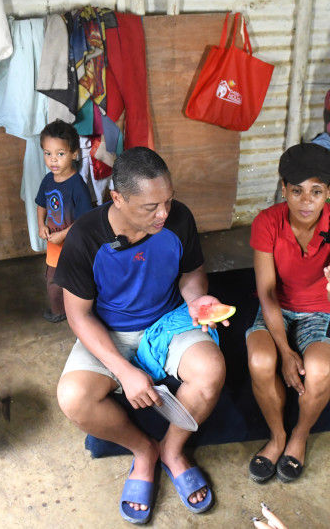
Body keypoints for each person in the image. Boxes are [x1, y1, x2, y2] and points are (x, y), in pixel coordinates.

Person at [54, 147, 227, 524]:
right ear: (116, 197)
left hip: (166, 321)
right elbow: (78, 316)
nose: (164, 214)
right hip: (109, 331)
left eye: (168, 200)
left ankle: (172, 450)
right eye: (151, 207)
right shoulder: (85, 237)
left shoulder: (178, 219)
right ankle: (144, 451)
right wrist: (123, 370)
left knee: (211, 371)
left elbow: (191, 273)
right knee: (73, 398)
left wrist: (197, 302)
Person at [246, 143, 330, 484]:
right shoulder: (267, 221)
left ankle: (299, 436)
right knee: (261, 362)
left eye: (316, 191)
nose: (306, 202)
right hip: (277, 306)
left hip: (319, 310)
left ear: (329, 191)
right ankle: (278, 435)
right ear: (284, 189)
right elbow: (266, 292)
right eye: (296, 191)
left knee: (320, 369)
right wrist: (284, 352)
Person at [35, 120, 92, 323]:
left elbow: (85, 220)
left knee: (76, 281)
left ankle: (80, 314)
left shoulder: (77, 186)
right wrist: (41, 225)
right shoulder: (47, 180)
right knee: (53, 280)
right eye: (48, 153)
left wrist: (63, 234)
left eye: (60, 154)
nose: (53, 160)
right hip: (54, 245)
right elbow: (41, 203)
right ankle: (58, 311)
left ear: (74, 154)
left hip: (74, 246)